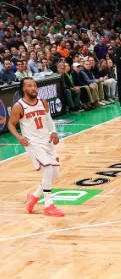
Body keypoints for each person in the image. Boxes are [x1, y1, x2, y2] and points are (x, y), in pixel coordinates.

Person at [7, 77, 64, 217]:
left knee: (55, 174)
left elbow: (49, 120)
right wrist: (19, 137)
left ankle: (33, 197)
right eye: (29, 86)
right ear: (23, 89)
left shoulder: (43, 102)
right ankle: (48, 205)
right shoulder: (19, 106)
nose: (33, 88)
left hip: (47, 141)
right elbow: (10, 124)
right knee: (48, 169)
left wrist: (54, 132)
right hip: (33, 143)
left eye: (34, 85)